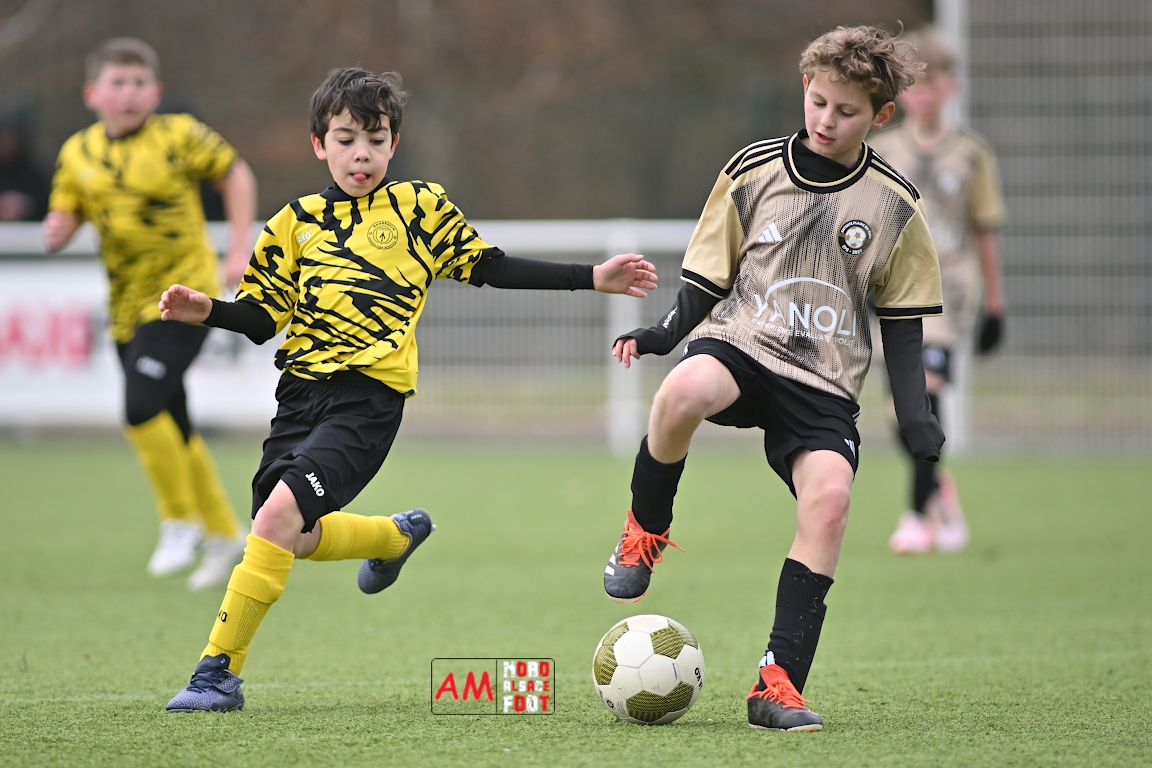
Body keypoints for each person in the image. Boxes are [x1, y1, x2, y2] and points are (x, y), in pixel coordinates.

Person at [158, 67, 658, 713]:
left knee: (276, 518)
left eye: (375, 140)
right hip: (299, 397)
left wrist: (590, 277)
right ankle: (392, 538)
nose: (360, 154)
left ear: (394, 144)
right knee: (288, 535)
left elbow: (491, 267)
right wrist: (209, 311)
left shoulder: (418, 209)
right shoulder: (292, 223)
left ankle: (217, 673)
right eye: (345, 140)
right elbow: (261, 320)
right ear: (319, 144)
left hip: (368, 400)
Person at [601, 26, 943, 731]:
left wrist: (915, 414)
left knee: (831, 500)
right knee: (682, 391)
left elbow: (903, 322)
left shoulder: (895, 203)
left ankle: (777, 685)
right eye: (818, 102)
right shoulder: (753, 170)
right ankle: (645, 529)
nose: (826, 120)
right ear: (805, 88)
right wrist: (665, 332)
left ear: (881, 116)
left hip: (824, 381)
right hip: (744, 342)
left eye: (846, 111)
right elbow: (708, 274)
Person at [43, 38, 257, 589]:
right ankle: (224, 531)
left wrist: (238, 248)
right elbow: (66, 207)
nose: (130, 93)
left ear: (156, 92)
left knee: (140, 406)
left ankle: (179, 520)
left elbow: (236, 174)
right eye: (118, 83)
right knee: (171, 419)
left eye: (139, 83)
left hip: (184, 298)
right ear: (92, 94)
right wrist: (60, 226)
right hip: (125, 307)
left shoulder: (178, 135)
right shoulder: (78, 153)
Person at [869, 27, 1006, 554]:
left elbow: (984, 230)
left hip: (949, 289)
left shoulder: (972, 155)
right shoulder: (880, 150)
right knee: (899, 412)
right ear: (902, 93)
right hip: (893, 291)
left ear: (952, 86)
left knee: (926, 389)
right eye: (917, 85)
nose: (926, 94)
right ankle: (938, 491)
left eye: (936, 82)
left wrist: (996, 304)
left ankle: (915, 516)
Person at [0, 111, 49, 221]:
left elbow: (46, 201)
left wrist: (26, 205)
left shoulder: (31, 172)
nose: (6, 146)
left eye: (10, 141)